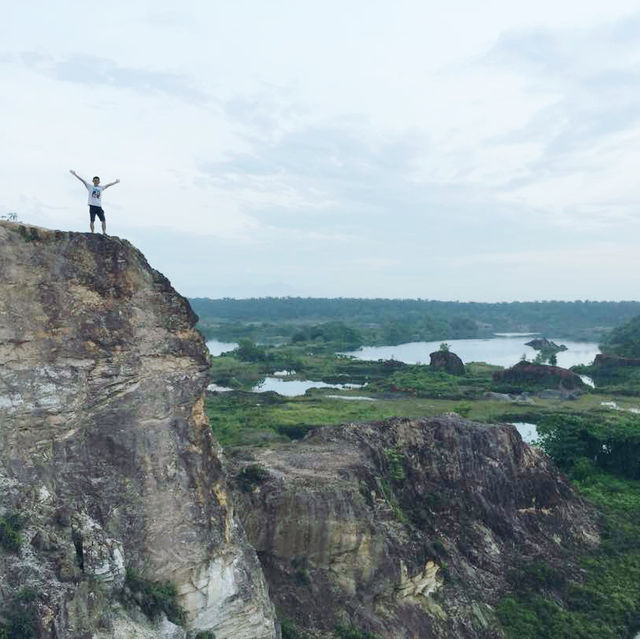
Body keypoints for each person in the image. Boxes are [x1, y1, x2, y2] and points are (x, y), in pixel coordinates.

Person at [69, 170, 120, 234]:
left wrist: (115, 182)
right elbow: (82, 180)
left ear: (99, 182)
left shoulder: (101, 188)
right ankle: (92, 232)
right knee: (92, 220)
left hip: (99, 207)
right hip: (92, 206)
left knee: (103, 220)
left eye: (97, 180)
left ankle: (104, 232)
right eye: (95, 180)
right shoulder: (90, 186)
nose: (96, 181)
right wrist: (75, 174)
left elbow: (108, 185)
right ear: (93, 181)